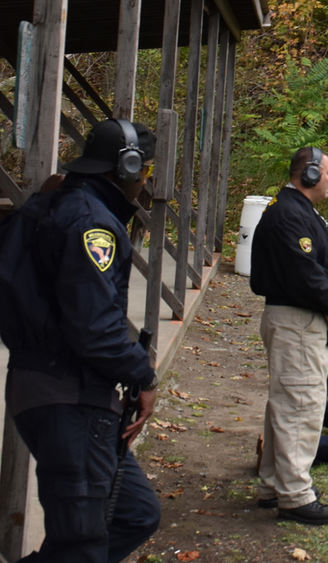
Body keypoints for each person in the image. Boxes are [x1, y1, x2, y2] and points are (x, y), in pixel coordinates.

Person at [0, 118, 162, 562]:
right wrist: (144, 377)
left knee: (133, 513)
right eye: (144, 170)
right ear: (127, 168)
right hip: (68, 397)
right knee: (82, 544)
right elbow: (95, 328)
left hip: (49, 391)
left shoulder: (51, 206)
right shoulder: (92, 223)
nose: (145, 181)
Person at [249, 147, 328, 525]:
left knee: (285, 403)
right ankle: (295, 494)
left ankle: (274, 484)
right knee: (300, 405)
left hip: (296, 319)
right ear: (308, 175)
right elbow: (305, 272)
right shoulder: (290, 215)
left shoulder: (293, 210)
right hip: (297, 322)